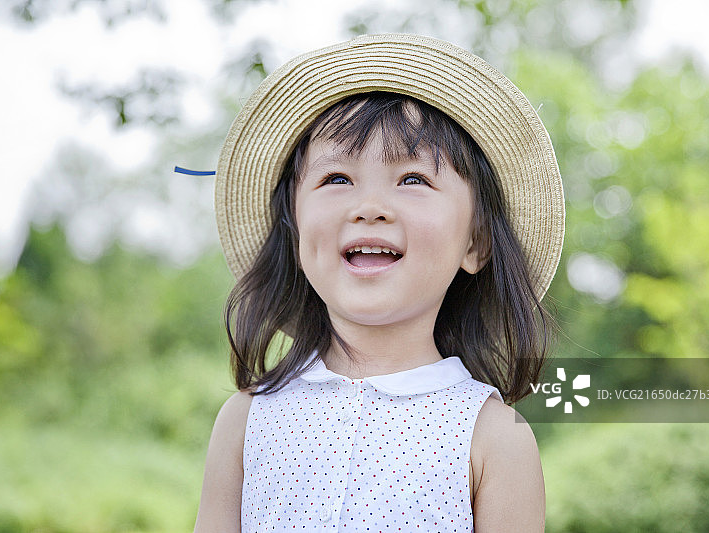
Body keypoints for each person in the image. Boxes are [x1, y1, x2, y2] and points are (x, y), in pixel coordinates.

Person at [193, 33, 564, 532]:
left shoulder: (493, 437)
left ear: (475, 243)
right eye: (337, 179)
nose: (369, 207)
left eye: (412, 179)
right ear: (296, 233)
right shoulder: (245, 422)